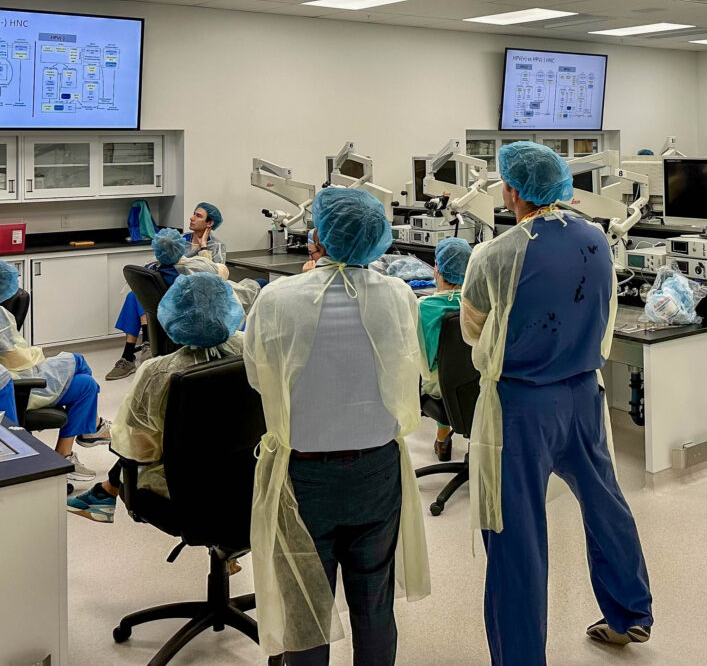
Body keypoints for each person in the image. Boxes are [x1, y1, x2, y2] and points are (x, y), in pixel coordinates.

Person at [460, 141, 653, 664]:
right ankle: (630, 612)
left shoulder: (496, 253)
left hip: (521, 407)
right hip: (585, 394)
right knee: (605, 502)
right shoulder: (597, 237)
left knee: (516, 533)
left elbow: (474, 330)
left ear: (513, 190)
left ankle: (520, 655)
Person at [243, 187, 429, 665]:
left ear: (317, 238)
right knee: (374, 603)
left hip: (305, 478)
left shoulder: (278, 298)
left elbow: (257, 377)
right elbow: (409, 368)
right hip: (377, 471)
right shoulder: (400, 295)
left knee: (306, 607)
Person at [67, 273, 245, 523]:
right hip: (251, 476)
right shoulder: (253, 351)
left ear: (172, 316)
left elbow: (134, 448)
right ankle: (104, 492)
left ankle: (105, 492)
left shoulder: (159, 372)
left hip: (186, 485)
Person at [0, 261, 110, 482]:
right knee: (77, 360)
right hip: (18, 384)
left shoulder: (2, 312)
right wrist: (37, 355)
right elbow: (17, 359)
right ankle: (93, 426)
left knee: (86, 386)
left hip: (18, 378)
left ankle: (65, 456)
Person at [106, 228, 221, 381]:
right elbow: (216, 271)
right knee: (134, 296)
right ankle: (142, 346)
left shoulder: (150, 269)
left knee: (133, 296)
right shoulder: (188, 272)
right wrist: (203, 249)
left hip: (162, 319)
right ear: (180, 248)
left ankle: (131, 353)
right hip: (177, 318)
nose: (193, 218)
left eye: (198, 215)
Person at [418, 237, 472, 462]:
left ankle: (442, 440)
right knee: (460, 373)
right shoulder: (479, 304)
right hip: (477, 385)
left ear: (437, 269)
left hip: (436, 389)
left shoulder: (422, 308)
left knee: (442, 376)